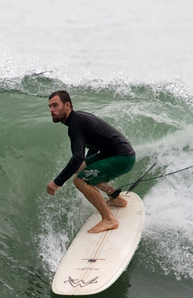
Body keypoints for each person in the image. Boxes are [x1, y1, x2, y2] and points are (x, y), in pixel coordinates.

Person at [46, 90, 136, 233]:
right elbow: (94, 143)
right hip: (114, 154)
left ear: (67, 105)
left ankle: (109, 219)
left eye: (55, 105)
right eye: (50, 106)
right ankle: (116, 198)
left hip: (122, 157)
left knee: (80, 180)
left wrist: (57, 182)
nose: (51, 110)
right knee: (81, 170)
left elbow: (77, 157)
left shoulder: (76, 124)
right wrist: (89, 166)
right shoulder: (78, 119)